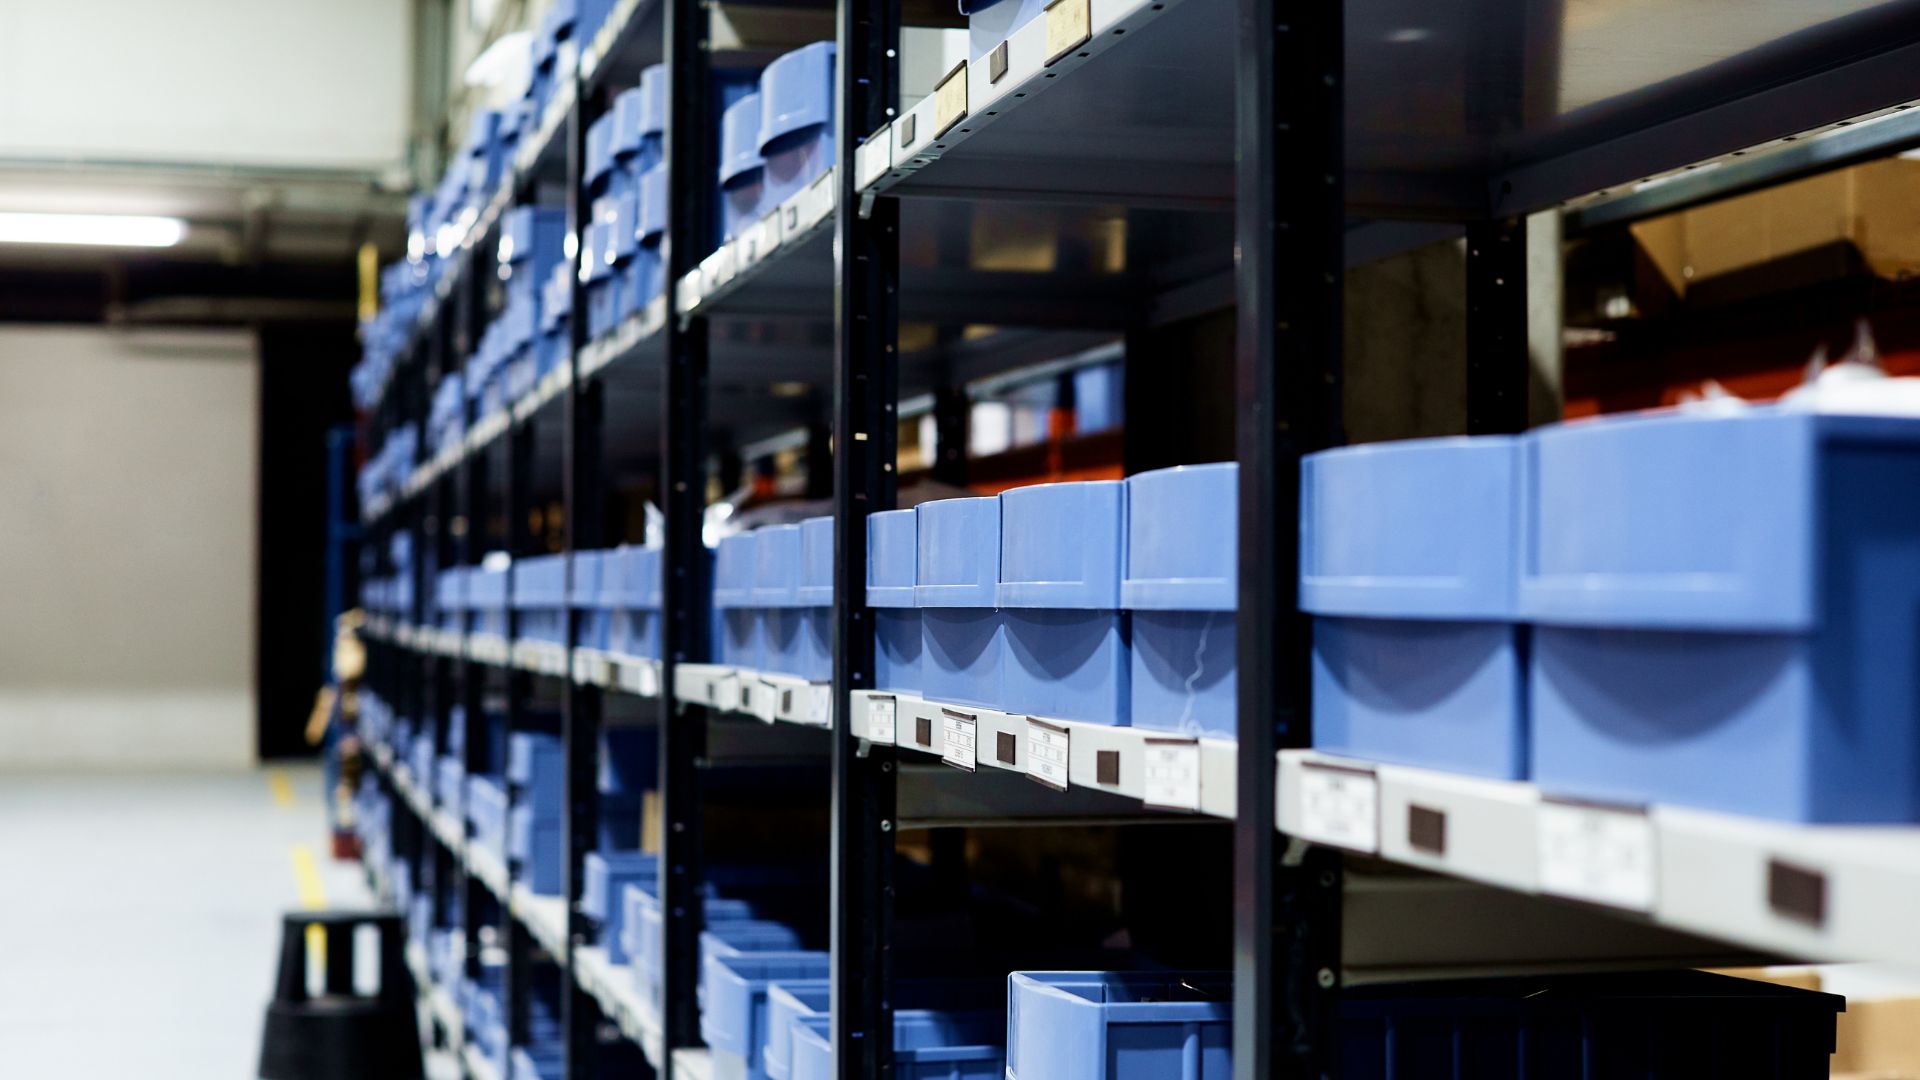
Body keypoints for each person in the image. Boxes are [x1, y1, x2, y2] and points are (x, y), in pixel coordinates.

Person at [307, 609, 368, 859]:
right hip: (345, 731)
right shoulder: (340, 670)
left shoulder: (356, 658)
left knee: (349, 764)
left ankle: (349, 828)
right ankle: (344, 828)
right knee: (343, 773)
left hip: (353, 729)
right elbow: (328, 699)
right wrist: (316, 727)